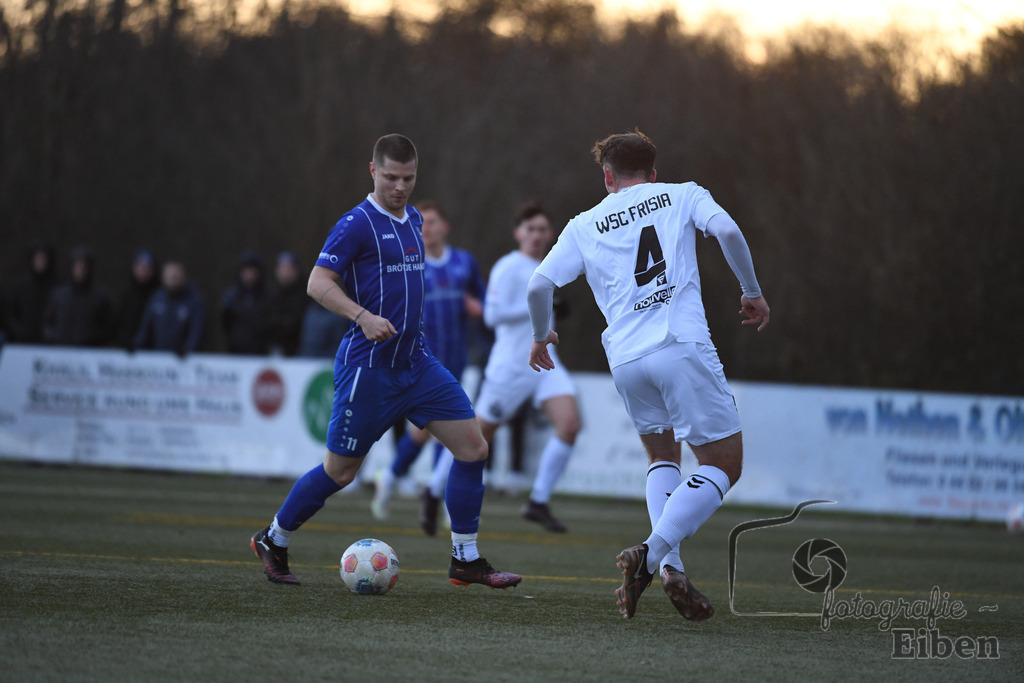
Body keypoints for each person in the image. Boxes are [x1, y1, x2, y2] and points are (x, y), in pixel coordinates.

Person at [250, 134, 520, 589]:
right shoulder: (355, 223)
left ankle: (465, 558)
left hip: (418, 364)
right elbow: (317, 283)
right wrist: (362, 315)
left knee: (473, 449)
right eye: (391, 177)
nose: (400, 186)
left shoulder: (414, 217)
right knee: (341, 472)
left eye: (408, 178)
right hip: (369, 369)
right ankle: (273, 539)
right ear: (372, 171)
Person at [526, 130, 770, 621]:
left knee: (663, 456)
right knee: (724, 464)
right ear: (653, 173)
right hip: (679, 345)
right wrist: (751, 291)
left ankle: (671, 570)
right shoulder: (683, 194)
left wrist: (541, 335)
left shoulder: (583, 223)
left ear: (608, 176)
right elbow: (728, 233)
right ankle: (652, 552)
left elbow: (539, 284)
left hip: (626, 361)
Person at [370, 199, 486, 536]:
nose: (427, 228)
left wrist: (480, 307)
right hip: (423, 362)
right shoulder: (410, 265)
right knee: (429, 433)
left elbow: (485, 301)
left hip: (461, 361)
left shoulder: (464, 263)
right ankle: (394, 479)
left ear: (445, 226)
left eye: (433, 222)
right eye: (423, 224)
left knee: (446, 433)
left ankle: (402, 483)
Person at [474, 200, 581, 533]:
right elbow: (491, 317)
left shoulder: (552, 265)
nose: (536, 235)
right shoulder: (508, 267)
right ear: (518, 232)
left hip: (547, 363)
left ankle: (538, 501)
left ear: (550, 234)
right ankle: (440, 493)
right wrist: (535, 304)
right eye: (530, 229)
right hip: (511, 367)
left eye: (542, 229)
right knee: (476, 440)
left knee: (570, 424)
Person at [42, 246, 115, 347]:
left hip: (89, 352)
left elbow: (109, 326)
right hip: (60, 351)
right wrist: (53, 338)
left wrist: (95, 340)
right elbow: (48, 322)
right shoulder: (59, 295)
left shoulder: (100, 296)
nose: (80, 270)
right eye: (77, 266)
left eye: (83, 267)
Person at [134, 261, 206, 356]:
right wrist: (136, 345)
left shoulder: (193, 299)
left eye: (176, 276)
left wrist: (188, 349)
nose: (172, 279)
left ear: (183, 277)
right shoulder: (157, 298)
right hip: (158, 355)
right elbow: (146, 327)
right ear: (163, 277)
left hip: (183, 358)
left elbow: (197, 330)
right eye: (170, 276)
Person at [221, 251, 271, 355]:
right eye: (246, 270)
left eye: (252, 270)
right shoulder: (231, 296)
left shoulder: (268, 296)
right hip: (236, 352)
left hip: (260, 352)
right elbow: (225, 322)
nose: (249, 274)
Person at [7, 244, 56, 344]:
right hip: (23, 341)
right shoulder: (21, 286)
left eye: (43, 258)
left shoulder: (57, 287)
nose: (40, 262)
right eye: (38, 258)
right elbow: (11, 313)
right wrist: (18, 332)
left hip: (50, 343)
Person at [266, 251, 309, 357]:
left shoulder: (306, 294)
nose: (285, 272)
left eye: (289, 268)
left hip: (300, 351)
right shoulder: (270, 294)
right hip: (273, 350)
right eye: (282, 268)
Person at [117, 249, 160, 350]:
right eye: (140, 266)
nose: (143, 270)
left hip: (154, 352)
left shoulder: (159, 296)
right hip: (126, 351)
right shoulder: (127, 296)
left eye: (147, 267)